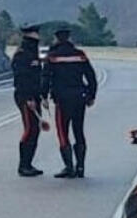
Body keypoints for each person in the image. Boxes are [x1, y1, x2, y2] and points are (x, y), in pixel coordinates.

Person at [42, 28, 98, 178]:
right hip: (79, 97)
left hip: (62, 99)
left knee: (63, 132)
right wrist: (91, 95)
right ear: (69, 38)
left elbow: (46, 77)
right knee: (79, 131)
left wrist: (44, 97)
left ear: (56, 39)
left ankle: (69, 167)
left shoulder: (52, 56)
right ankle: (81, 167)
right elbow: (91, 76)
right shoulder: (80, 55)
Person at [11, 26, 45, 177]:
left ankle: (29, 163)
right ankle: (23, 165)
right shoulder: (22, 54)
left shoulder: (33, 53)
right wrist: (29, 98)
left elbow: (37, 77)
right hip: (25, 96)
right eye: (35, 33)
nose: (37, 36)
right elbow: (21, 79)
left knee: (35, 130)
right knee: (30, 129)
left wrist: (41, 96)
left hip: (34, 96)